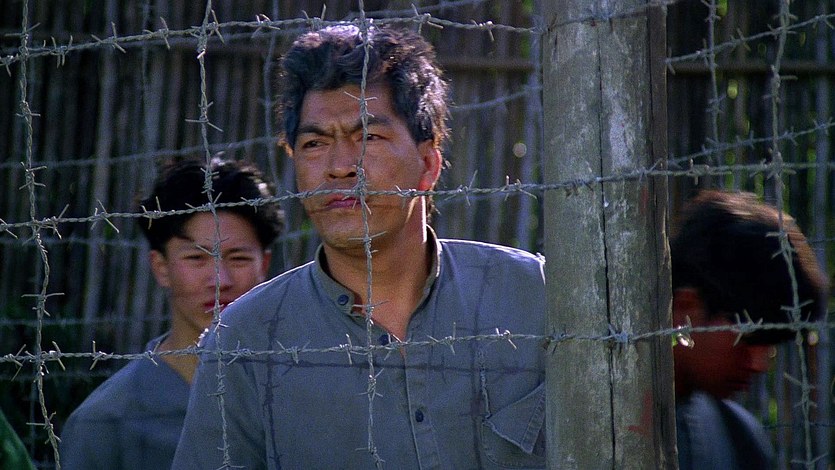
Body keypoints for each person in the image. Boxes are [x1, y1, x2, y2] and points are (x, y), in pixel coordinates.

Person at [173, 25, 547, 469]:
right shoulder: (244, 342)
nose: (339, 167)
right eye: (315, 143)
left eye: (368, 136)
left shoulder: (534, 295)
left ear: (428, 164)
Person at [60, 158, 283, 470]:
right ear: (161, 267)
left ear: (264, 265)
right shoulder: (108, 421)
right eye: (196, 258)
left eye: (239, 258)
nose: (220, 280)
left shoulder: (299, 393)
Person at [670, 190, 828, 470]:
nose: (759, 364)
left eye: (770, 343)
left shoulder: (742, 440)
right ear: (686, 307)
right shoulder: (597, 423)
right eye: (748, 337)